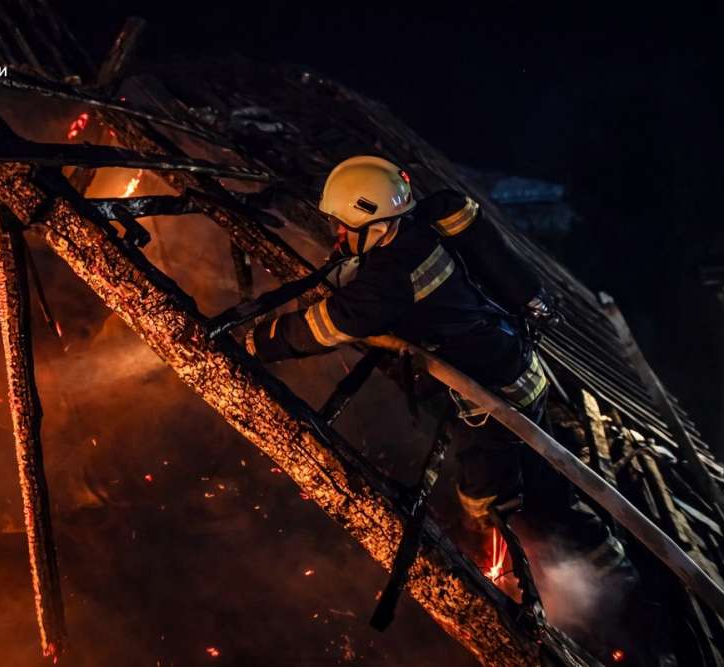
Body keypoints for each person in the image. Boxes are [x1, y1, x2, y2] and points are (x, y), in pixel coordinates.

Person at [244, 155, 627, 575]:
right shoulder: (419, 228)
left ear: (376, 223)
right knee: (544, 477)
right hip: (519, 368)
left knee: (489, 500)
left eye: (343, 225)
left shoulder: (392, 277)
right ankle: (604, 558)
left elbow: (328, 324)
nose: (337, 232)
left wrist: (259, 341)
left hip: (497, 403)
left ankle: (531, 575)